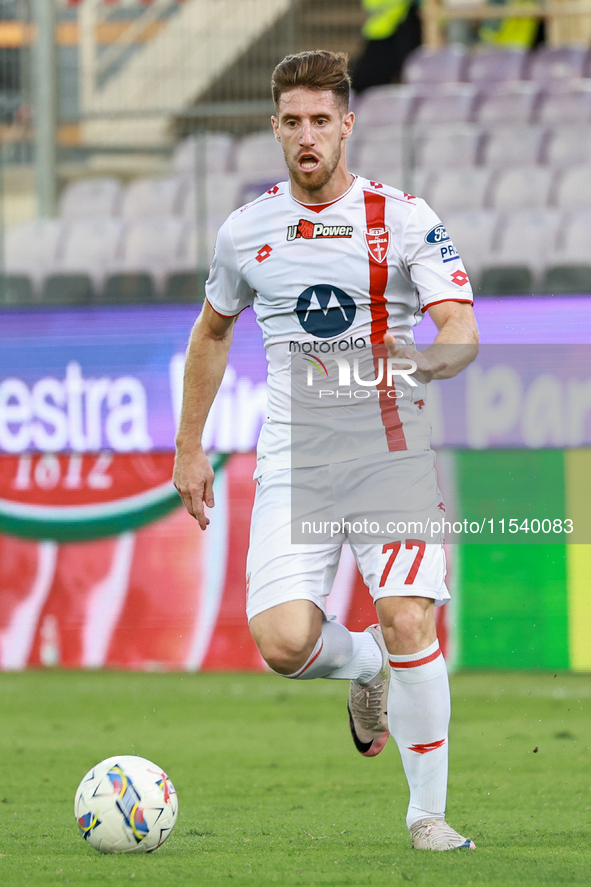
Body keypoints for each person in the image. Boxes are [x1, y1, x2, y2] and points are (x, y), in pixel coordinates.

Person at [173, 49, 479, 851]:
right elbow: (211, 330)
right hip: (295, 463)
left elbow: (457, 326)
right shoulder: (246, 230)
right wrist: (189, 447)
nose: (307, 134)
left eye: (321, 120)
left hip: (389, 452)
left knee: (407, 612)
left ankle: (427, 816)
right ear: (275, 129)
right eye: (292, 122)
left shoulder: (403, 217)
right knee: (281, 642)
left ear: (346, 125)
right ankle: (366, 665)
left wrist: (433, 355)